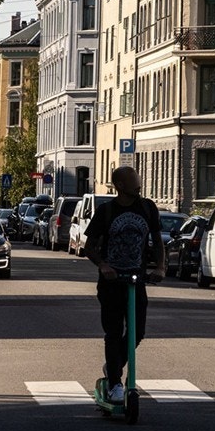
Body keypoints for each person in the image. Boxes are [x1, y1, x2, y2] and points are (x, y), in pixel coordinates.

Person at [83, 166, 165, 403]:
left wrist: (160, 267)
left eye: (138, 179)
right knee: (113, 332)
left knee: (137, 332)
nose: (138, 184)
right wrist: (103, 265)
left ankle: (113, 367)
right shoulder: (106, 211)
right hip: (111, 282)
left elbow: (157, 240)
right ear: (119, 185)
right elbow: (89, 247)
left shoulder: (147, 208)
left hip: (136, 280)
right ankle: (116, 384)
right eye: (133, 181)